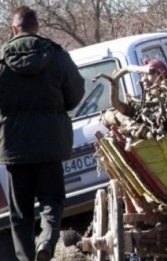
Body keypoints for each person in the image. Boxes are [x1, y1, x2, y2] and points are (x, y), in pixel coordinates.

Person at [0, 6, 84, 261]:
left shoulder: (1, 61)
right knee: (52, 201)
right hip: (50, 144)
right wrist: (57, 110)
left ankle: (26, 258)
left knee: (20, 212)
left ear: (14, 29)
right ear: (37, 27)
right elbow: (76, 91)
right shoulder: (56, 55)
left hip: (15, 148)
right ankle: (46, 242)